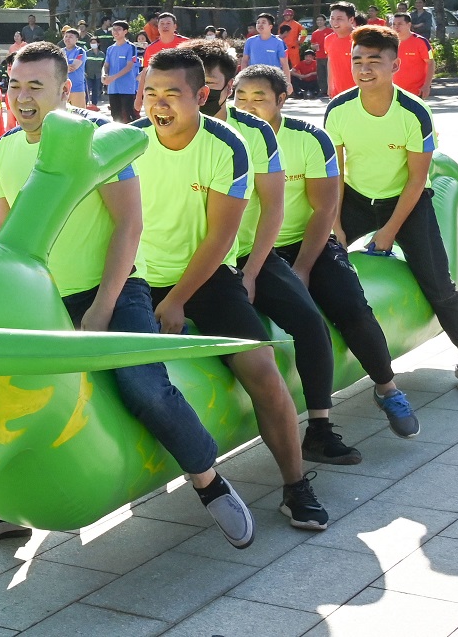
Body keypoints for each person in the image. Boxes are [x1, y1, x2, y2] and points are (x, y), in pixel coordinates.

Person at [0, 41, 256, 548]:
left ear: (65, 89)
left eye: (36, 86)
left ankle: (208, 481)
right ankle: (13, 509)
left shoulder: (100, 139)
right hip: (42, 299)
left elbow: (128, 225)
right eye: (15, 85)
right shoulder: (5, 148)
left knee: (145, 387)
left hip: (113, 291)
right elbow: (8, 237)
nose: (22, 97)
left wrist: (102, 308)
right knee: (4, 394)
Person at [133, 46, 329, 530]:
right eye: (151, 92)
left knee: (263, 370)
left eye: (172, 93)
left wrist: (177, 300)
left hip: (207, 278)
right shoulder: (127, 142)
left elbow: (222, 236)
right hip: (135, 277)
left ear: (202, 96)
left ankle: (296, 486)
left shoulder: (228, 145)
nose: (159, 103)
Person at [192, 38, 371, 464]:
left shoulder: (253, 133)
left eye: (208, 84)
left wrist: (253, 271)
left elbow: (273, 207)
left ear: (227, 86)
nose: (198, 93)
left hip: (245, 253)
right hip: (183, 259)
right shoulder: (154, 132)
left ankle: (320, 428)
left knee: (309, 322)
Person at [235, 64, 420, 455]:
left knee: (351, 306)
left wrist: (303, 267)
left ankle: (387, 388)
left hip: (308, 242)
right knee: (306, 321)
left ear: (281, 99)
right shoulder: (227, 139)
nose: (248, 106)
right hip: (251, 251)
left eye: (259, 98)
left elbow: (324, 208)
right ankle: (319, 426)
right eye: (241, 97)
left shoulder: (308, 138)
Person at [324, 25, 458, 393]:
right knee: (313, 257)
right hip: (355, 198)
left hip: (407, 202)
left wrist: (388, 232)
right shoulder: (338, 109)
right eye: (357, 61)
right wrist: (334, 224)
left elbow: (417, 179)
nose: (364, 68)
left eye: (374, 61)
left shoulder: (414, 111)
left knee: (439, 283)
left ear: (395, 65)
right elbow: (334, 174)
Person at [134, 12, 189, 113]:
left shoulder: (187, 44)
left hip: (182, 91)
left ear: (175, 26)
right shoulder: (151, 49)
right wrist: (139, 97)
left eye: (168, 23)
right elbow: (145, 72)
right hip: (160, 92)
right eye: (162, 24)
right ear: (158, 27)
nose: (165, 26)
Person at [240, 13, 292, 94]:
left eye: (263, 22)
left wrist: (288, 83)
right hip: (254, 78)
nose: (260, 25)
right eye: (258, 22)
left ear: (270, 26)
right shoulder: (250, 41)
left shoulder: (278, 42)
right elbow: (244, 61)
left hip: (273, 80)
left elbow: (284, 64)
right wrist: (243, 78)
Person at [103, 20, 141, 123]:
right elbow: (106, 65)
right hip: (113, 88)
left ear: (125, 31)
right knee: (116, 116)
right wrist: (104, 75)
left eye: (119, 29)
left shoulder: (131, 47)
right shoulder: (110, 49)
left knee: (128, 115)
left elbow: (129, 66)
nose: (115, 32)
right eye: (114, 29)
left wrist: (113, 77)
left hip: (127, 88)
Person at [391, 13, 434, 98]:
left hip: (415, 91)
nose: (396, 27)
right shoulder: (389, 42)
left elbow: (431, 63)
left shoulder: (421, 42)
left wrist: (426, 86)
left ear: (409, 25)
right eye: (394, 24)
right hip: (393, 91)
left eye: (399, 24)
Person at [324, 2, 356, 98]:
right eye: (332, 18)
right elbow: (330, 62)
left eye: (339, 19)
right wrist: (330, 86)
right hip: (337, 94)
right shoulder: (328, 39)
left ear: (351, 20)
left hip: (359, 94)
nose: (335, 22)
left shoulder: (360, 39)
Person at [62, 28, 87, 108]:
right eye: (66, 36)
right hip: (62, 89)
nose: (67, 39)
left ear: (76, 39)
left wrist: (61, 67)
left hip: (77, 88)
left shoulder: (80, 51)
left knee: (78, 113)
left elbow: (72, 68)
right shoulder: (60, 52)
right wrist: (66, 66)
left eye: (71, 37)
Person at [308, 15, 332, 94]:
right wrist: (314, 46)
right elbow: (312, 45)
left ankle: (330, 90)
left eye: (321, 20)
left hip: (328, 56)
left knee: (329, 73)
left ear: (324, 21)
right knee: (321, 74)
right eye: (318, 20)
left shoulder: (330, 31)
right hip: (319, 56)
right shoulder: (315, 33)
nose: (319, 22)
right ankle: (323, 90)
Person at [84, 37, 105, 110]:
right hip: (88, 75)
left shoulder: (102, 54)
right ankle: (84, 105)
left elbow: (103, 65)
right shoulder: (87, 53)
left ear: (98, 44)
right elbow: (83, 63)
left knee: (96, 91)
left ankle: (94, 105)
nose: (93, 44)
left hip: (98, 75)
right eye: (91, 43)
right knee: (87, 91)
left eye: (94, 42)